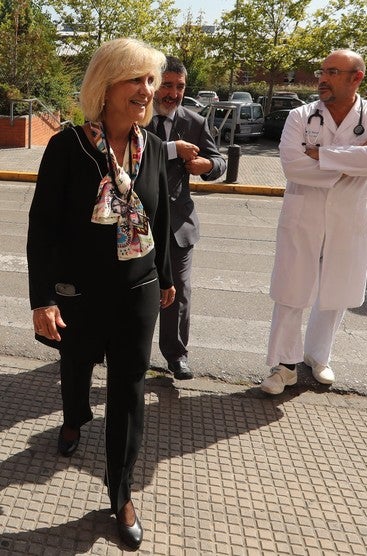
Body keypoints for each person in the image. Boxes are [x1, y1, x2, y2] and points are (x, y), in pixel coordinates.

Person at [26, 38, 175, 550]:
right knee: (75, 365)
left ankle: (121, 489)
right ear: (105, 85)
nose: (146, 89)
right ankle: (72, 418)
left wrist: (168, 277)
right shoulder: (68, 147)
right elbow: (42, 227)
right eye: (136, 78)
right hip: (79, 292)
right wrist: (42, 298)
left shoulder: (151, 147)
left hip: (138, 290)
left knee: (128, 389)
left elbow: (160, 218)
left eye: (150, 81)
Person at [260, 49, 367, 395]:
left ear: (356, 77)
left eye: (332, 72)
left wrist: (322, 156)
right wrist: (351, 165)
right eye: (322, 70)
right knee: (291, 289)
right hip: (303, 215)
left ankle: (319, 356)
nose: (322, 78)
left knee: (336, 290)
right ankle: (283, 365)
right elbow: (292, 165)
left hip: (349, 218)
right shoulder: (300, 116)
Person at [145, 56, 226, 380]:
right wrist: (173, 148)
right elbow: (130, 154)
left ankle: (176, 356)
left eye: (179, 86)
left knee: (178, 292)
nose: (173, 93)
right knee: (129, 292)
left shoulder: (195, 121)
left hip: (179, 225)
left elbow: (218, 160)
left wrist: (208, 167)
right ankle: (115, 350)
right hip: (139, 225)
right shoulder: (138, 118)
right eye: (167, 85)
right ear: (153, 84)